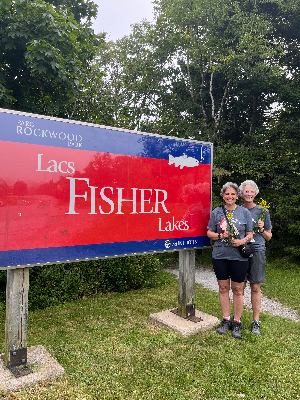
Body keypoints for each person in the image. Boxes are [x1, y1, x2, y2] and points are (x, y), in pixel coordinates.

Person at [207, 182, 253, 339]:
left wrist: (241, 242)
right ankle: (226, 320)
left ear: (237, 196)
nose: (230, 196)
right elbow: (209, 232)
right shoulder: (217, 212)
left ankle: (237, 322)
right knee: (223, 288)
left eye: (233, 194)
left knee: (238, 289)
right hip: (220, 255)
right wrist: (221, 236)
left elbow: (250, 235)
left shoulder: (244, 212)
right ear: (223, 195)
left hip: (238, 257)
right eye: (227, 194)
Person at [240, 180, 272, 336]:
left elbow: (269, 237)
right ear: (241, 193)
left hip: (258, 250)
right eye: (246, 191)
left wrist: (261, 228)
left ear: (255, 193)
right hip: (239, 251)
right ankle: (237, 319)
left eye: (251, 191)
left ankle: (255, 321)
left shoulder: (263, 211)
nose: (249, 194)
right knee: (239, 287)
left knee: (255, 287)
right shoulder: (236, 210)